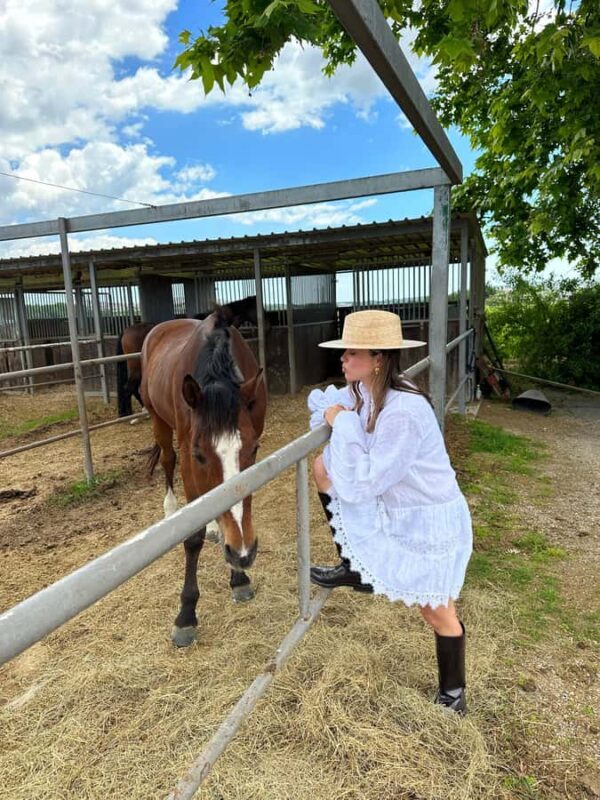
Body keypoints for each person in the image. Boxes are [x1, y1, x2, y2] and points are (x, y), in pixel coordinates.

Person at [307, 310, 473, 714]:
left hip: (429, 519)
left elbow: (368, 479)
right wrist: (340, 415)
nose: (343, 359)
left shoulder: (403, 411)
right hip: (402, 507)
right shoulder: (367, 392)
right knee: (322, 467)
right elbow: (331, 404)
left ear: (378, 359)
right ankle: (352, 565)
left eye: (352, 353)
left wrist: (343, 424)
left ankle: (454, 696)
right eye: (345, 351)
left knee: (436, 610)